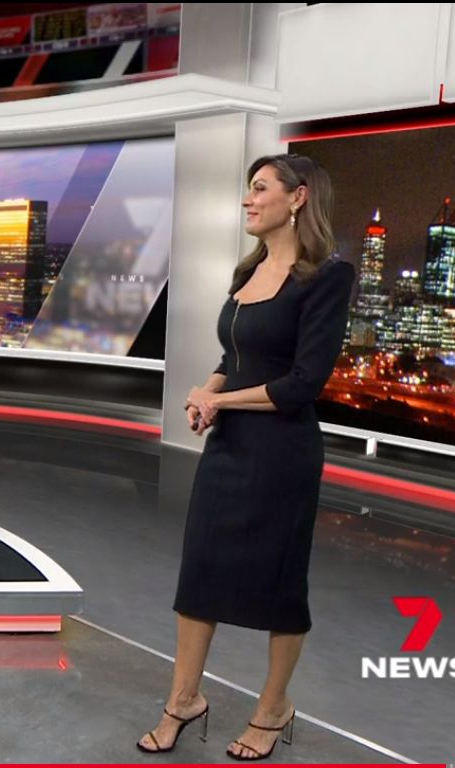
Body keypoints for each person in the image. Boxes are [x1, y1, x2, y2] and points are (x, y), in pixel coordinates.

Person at [135, 154, 354, 760]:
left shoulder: (328, 276)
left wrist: (221, 399)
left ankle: (273, 708)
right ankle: (184, 699)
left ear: (298, 197)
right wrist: (208, 393)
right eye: (247, 189)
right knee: (199, 573)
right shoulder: (248, 270)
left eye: (259, 189)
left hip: (283, 455)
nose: (246, 200)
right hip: (228, 447)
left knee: (280, 584)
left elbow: (302, 384)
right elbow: (232, 357)